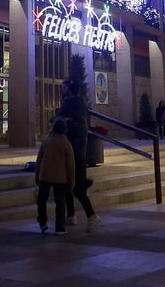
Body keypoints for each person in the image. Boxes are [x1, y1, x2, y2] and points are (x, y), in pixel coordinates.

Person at [58, 80, 100, 231]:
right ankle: (72, 215)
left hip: (73, 149)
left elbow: (59, 114)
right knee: (70, 185)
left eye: (64, 87)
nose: (62, 89)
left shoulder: (69, 102)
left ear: (69, 89)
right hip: (80, 149)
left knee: (72, 186)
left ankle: (83, 215)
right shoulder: (82, 101)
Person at [35, 118, 75, 235]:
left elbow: (39, 161)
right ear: (65, 130)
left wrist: (37, 176)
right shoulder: (66, 144)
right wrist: (71, 182)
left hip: (45, 176)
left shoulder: (46, 142)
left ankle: (43, 222)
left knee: (42, 200)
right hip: (60, 178)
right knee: (60, 203)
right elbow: (70, 166)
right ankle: (60, 227)